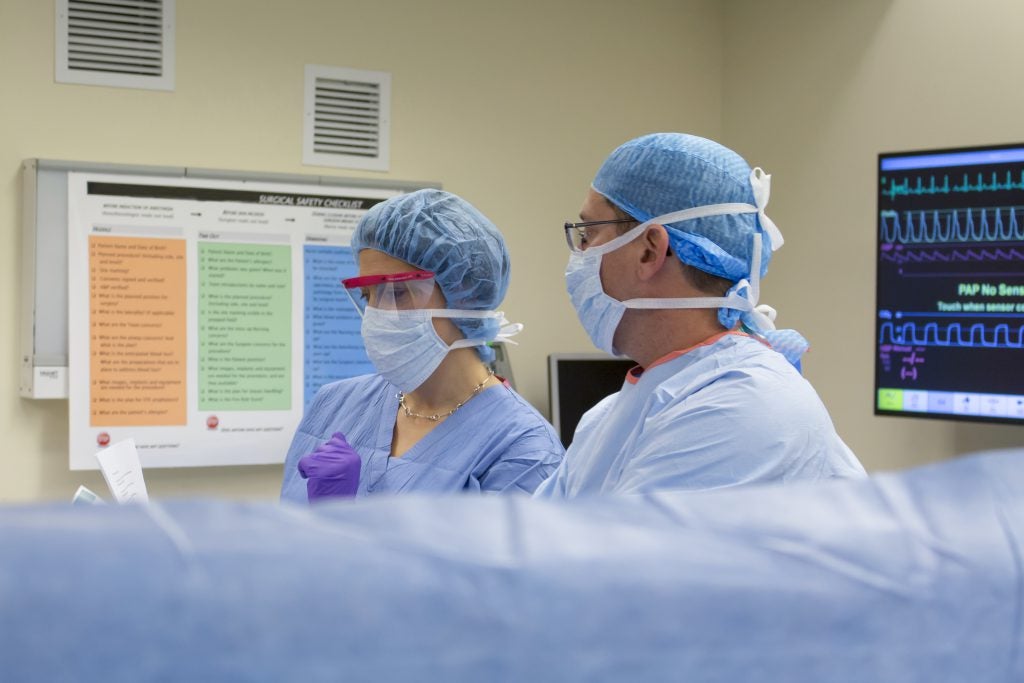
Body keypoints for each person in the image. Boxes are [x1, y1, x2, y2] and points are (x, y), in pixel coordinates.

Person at [535, 133, 865, 498]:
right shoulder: (610, 417)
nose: (580, 253)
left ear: (649, 250)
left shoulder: (740, 410)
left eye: (588, 234)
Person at [281, 189, 564, 502]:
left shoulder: (523, 450)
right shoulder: (336, 405)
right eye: (367, 296)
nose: (376, 315)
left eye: (397, 292)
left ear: (464, 294)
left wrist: (342, 519)